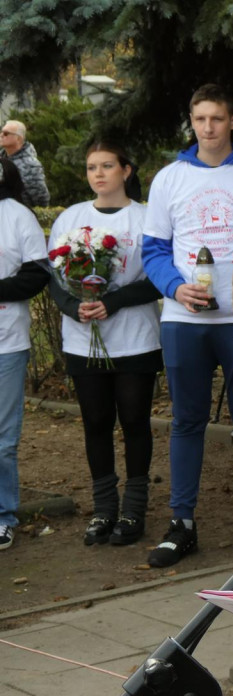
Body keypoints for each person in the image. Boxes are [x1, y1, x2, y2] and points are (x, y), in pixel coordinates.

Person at [142, 84, 233, 568]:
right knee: (187, 421)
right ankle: (182, 524)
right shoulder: (169, 179)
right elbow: (153, 249)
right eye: (200, 119)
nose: (208, 128)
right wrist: (176, 288)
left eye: (217, 119)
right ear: (192, 122)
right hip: (184, 320)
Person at [48, 141, 162, 547]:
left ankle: (133, 511)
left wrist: (112, 302)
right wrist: (72, 305)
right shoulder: (71, 217)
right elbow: (53, 276)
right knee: (96, 424)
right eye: (92, 167)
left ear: (126, 170)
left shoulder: (146, 218)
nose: (98, 174)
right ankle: (103, 509)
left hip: (135, 340)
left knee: (133, 422)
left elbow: (157, 277)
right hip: (83, 341)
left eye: (107, 166)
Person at [0, 157, 49, 551]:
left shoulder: (18, 216)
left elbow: (37, 275)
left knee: (2, 439)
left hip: (6, 344)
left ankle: (3, 515)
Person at [0, 120, 50, 207]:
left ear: (18, 138)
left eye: (6, 133)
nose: (1, 135)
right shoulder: (2, 160)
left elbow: (40, 198)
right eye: (1, 132)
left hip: (21, 214)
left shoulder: (30, 164)